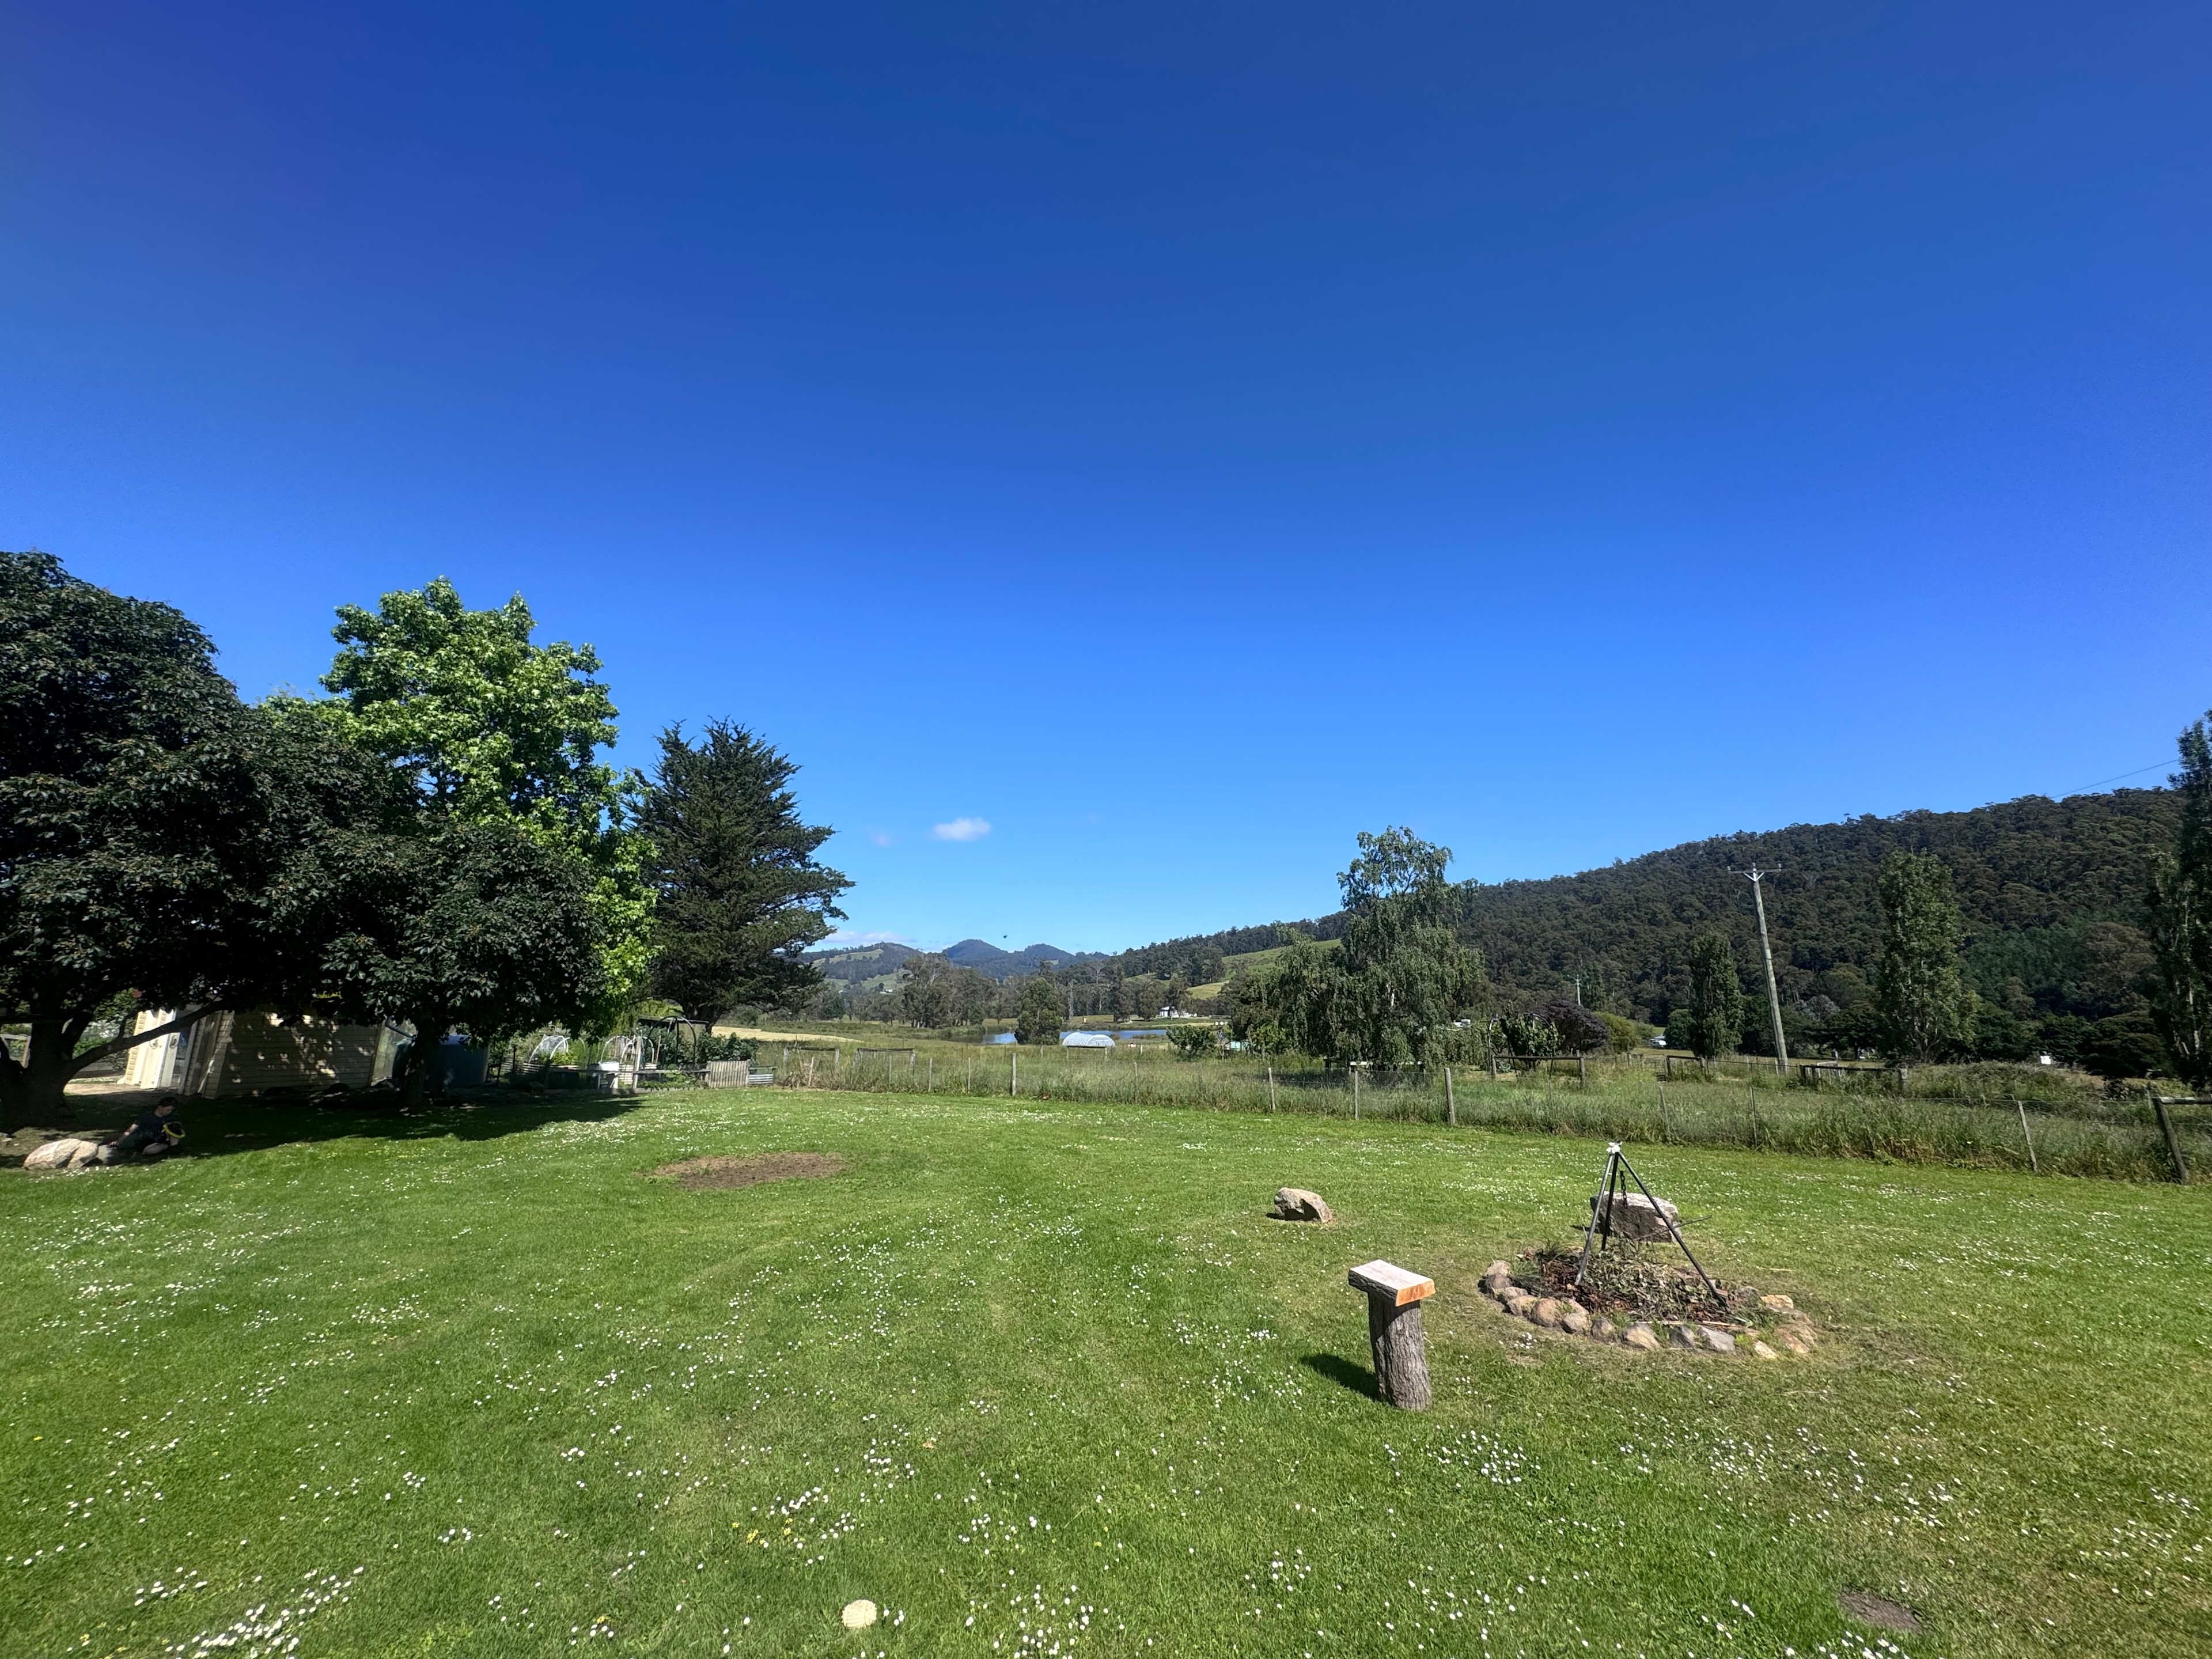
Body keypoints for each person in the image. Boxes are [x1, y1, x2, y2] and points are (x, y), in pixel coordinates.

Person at [113, 1095, 185, 1160]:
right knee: (125, 1145)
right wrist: (126, 1135)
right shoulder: (147, 1116)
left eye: (171, 1110)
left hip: (159, 1140)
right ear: (160, 1107)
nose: (169, 1112)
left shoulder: (170, 1119)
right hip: (145, 1138)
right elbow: (135, 1126)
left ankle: (169, 1147)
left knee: (150, 1151)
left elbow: (176, 1131)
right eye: (168, 1110)